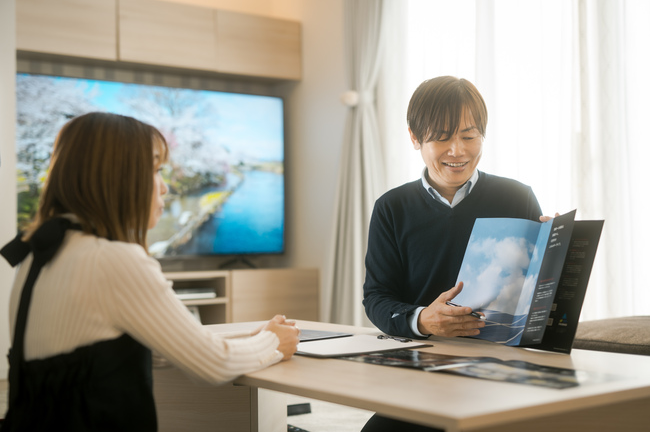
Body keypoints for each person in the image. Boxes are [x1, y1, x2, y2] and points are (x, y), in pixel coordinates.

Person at [0, 112, 300, 431]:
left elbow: (142, 349)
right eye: (156, 171)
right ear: (119, 177)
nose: (165, 187)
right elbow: (215, 364)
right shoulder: (113, 259)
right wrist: (271, 342)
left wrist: (250, 339)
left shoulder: (39, 252)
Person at [361, 76, 547, 432]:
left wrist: (558, 244)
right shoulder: (391, 208)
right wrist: (421, 319)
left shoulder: (518, 197)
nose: (457, 150)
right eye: (442, 137)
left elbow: (542, 295)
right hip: (427, 365)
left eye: (469, 136)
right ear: (415, 138)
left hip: (502, 366)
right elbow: (377, 297)